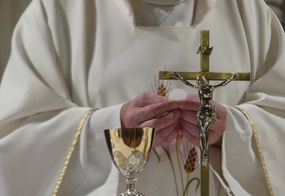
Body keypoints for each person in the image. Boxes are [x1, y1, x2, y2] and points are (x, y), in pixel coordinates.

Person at [0, 0, 284, 195]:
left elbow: (278, 115)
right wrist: (114, 129)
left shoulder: (250, 12)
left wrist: (233, 131)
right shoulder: (58, 13)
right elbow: (15, 143)